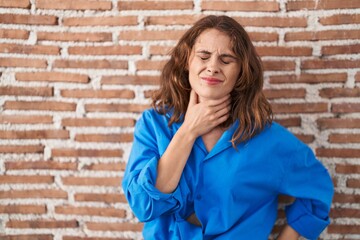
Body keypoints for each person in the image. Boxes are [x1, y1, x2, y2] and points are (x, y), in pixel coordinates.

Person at [122, 15, 334, 240]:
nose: (212, 67)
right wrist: (189, 130)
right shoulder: (154, 125)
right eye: (203, 56)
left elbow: (317, 189)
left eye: (226, 59)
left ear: (241, 71)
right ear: (187, 62)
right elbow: (143, 206)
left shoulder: (268, 139)